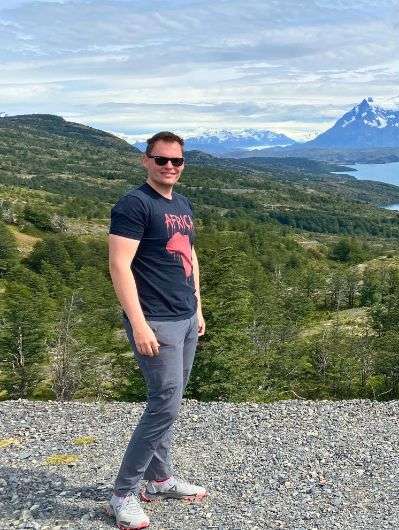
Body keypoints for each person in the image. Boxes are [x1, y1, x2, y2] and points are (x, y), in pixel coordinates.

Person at [106, 131, 207, 530]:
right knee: (163, 403)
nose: (169, 167)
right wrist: (138, 321)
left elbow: (191, 256)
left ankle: (159, 479)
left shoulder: (181, 203)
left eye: (176, 161)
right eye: (161, 159)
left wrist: (198, 307)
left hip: (183, 317)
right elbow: (119, 266)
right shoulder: (134, 204)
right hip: (155, 320)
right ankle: (123, 493)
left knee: (173, 401)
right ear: (145, 161)